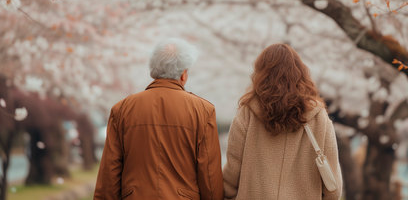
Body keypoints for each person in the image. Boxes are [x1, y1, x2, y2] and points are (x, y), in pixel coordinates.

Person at [94, 38, 223, 200]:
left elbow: (110, 172)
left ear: (152, 71)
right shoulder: (203, 111)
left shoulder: (122, 110)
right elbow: (209, 176)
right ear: (184, 74)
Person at [223, 44, 342, 200]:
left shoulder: (247, 113)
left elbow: (232, 171)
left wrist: (229, 193)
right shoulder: (319, 117)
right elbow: (333, 187)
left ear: (261, 73)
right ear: (301, 73)